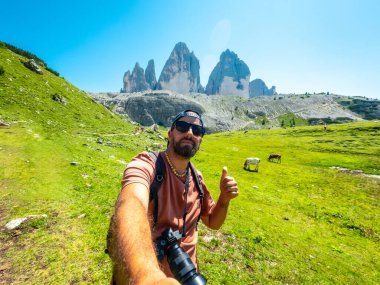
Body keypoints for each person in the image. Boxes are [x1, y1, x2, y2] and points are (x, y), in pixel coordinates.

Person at [108, 110, 239, 284]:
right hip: (145, 276)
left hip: (188, 275)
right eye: (183, 126)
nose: (190, 133)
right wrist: (147, 277)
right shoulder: (147, 164)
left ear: (200, 140)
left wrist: (224, 199)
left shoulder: (197, 178)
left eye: (197, 130)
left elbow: (213, 222)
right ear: (170, 134)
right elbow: (131, 202)